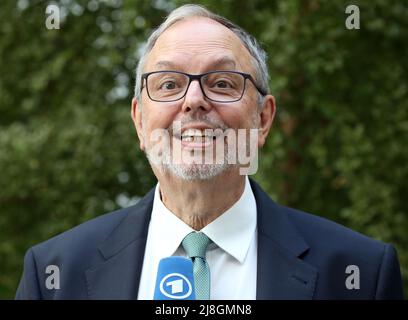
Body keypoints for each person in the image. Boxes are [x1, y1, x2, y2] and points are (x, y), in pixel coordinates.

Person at [16, 4, 403, 300]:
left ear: (263, 119)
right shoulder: (54, 273)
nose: (194, 101)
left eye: (221, 82)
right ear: (139, 121)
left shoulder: (359, 273)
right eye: (169, 84)